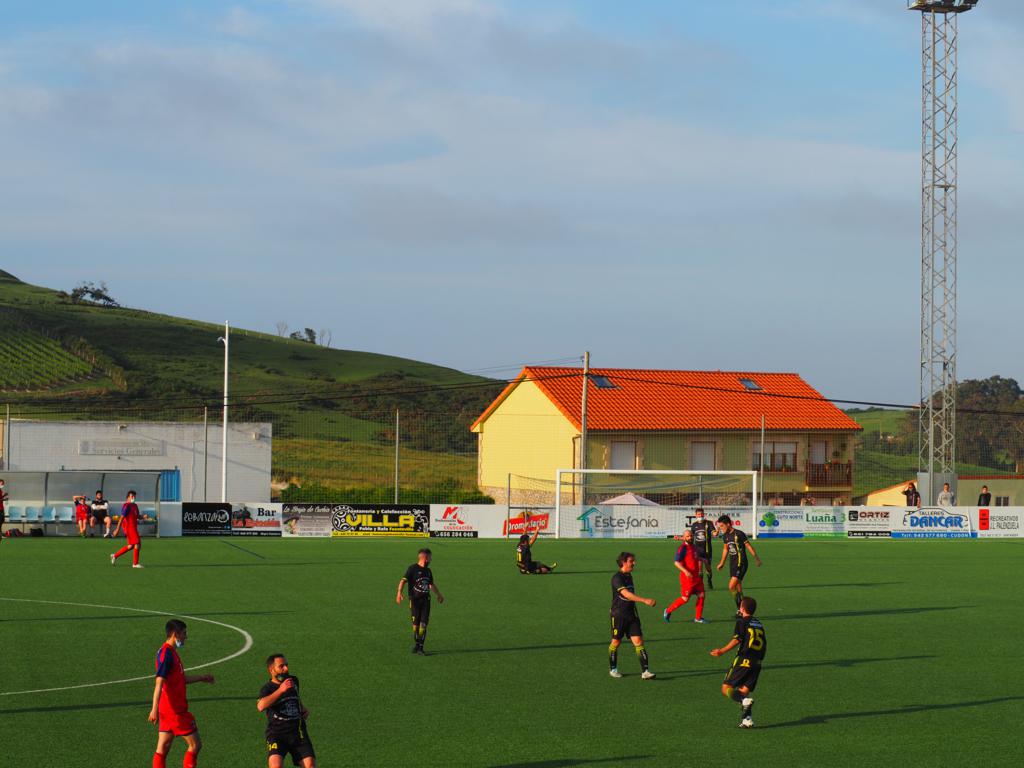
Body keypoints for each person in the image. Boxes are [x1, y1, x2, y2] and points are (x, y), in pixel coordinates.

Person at [150, 619, 215, 768]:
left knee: (162, 749)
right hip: (175, 711)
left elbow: (180, 679)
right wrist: (154, 709)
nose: (186, 636)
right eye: (184, 633)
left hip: (167, 710)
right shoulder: (167, 654)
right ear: (175, 634)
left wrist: (201, 678)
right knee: (195, 745)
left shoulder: (170, 652)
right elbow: (159, 683)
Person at [710, 596, 766, 729]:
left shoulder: (742, 622)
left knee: (726, 688)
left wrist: (722, 651)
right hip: (757, 662)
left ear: (742, 608)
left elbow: (737, 639)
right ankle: (747, 720)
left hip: (744, 659)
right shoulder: (758, 623)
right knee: (744, 690)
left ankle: (743, 701)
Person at [258, 654, 316, 768]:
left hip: (298, 733)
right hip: (277, 734)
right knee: (276, 766)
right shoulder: (267, 689)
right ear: (271, 670)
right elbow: (261, 706)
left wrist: (302, 707)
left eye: (286, 665)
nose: (286, 668)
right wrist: (281, 690)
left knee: (310, 766)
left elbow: (295, 696)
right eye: (281, 666)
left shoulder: (293, 680)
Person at [609, 552, 657, 680]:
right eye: (631, 561)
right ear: (623, 562)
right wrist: (645, 600)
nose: (634, 563)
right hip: (619, 615)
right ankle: (613, 669)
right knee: (616, 642)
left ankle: (645, 671)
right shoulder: (617, 578)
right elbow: (626, 594)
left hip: (631, 614)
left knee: (638, 641)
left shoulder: (629, 576)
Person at [396, 548, 444, 655]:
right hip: (414, 601)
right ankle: (417, 645)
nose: (431, 559)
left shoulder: (428, 571)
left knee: (423, 624)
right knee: (415, 625)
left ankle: (421, 648)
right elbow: (403, 581)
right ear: (425, 558)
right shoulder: (412, 569)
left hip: (426, 601)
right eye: (430, 557)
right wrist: (399, 593)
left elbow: (431, 584)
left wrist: (438, 594)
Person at [716, 515, 761, 613]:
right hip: (732, 564)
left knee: (731, 586)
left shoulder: (739, 534)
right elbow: (725, 549)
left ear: (728, 524)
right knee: (738, 588)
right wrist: (722, 563)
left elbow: (748, 546)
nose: (721, 528)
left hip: (741, 563)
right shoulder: (725, 536)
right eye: (719, 527)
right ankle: (745, 608)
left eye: (722, 526)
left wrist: (756, 558)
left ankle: (740, 610)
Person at [663, 530, 708, 624]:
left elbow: (694, 557)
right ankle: (668, 610)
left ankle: (698, 618)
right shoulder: (682, 549)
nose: (690, 537)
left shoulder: (694, 547)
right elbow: (676, 563)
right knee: (685, 599)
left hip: (696, 577)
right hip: (687, 579)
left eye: (691, 536)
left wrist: (703, 560)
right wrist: (686, 571)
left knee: (701, 595)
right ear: (684, 538)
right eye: (687, 536)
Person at [111, 490, 143, 568]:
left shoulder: (135, 505)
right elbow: (121, 518)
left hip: (134, 527)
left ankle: (115, 556)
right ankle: (135, 564)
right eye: (132, 496)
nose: (133, 498)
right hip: (129, 528)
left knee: (131, 546)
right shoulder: (126, 506)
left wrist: (143, 517)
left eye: (134, 496)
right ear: (128, 497)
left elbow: (137, 516)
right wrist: (117, 529)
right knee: (137, 543)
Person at [690, 507, 717, 589]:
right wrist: (680, 538)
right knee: (699, 568)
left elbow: (714, 533)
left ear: (704, 514)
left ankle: (709, 580)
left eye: (701, 514)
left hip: (707, 550)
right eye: (698, 514)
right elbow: (691, 536)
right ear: (696, 515)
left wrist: (716, 533)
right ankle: (700, 584)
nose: (700, 515)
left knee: (708, 568)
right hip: (698, 550)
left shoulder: (709, 523)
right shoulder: (694, 525)